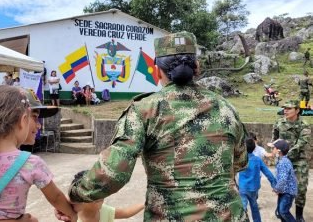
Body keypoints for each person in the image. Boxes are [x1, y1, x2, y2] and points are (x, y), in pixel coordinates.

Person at [59, 31, 249, 221]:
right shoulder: (226, 108)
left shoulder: (144, 110)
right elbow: (240, 161)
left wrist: (75, 195)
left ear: (156, 69)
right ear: (197, 67)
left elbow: (113, 171)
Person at [0, 85, 77, 222]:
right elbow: (56, 197)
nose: (39, 125)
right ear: (22, 120)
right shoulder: (31, 164)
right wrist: (72, 214)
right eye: (34, 117)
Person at [272, 100, 311, 222]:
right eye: (284, 108)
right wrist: (276, 153)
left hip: (299, 160)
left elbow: (301, 143)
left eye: (289, 108)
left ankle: (299, 215)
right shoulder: (279, 123)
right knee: (283, 186)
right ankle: (282, 211)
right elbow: (275, 140)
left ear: (297, 110)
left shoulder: (304, 125)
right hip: (283, 159)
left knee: (301, 189)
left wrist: (286, 154)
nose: (286, 110)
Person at [67, 170, 144, 222]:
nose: (100, 196)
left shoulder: (104, 210)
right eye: (93, 195)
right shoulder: (72, 218)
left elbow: (125, 213)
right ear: (79, 198)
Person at [238, 138, 276, 222]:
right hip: (254, 189)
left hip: (243, 188)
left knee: (242, 209)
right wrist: (274, 184)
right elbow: (268, 173)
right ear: (254, 148)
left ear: (243, 148)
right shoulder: (258, 160)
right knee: (254, 208)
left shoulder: (240, 160)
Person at [267, 139, 297, 222]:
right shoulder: (281, 160)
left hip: (288, 192)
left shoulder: (284, 162)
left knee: (283, 211)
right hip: (284, 191)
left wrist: (277, 189)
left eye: (273, 148)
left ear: (278, 151)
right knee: (280, 212)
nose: (272, 150)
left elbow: (283, 179)